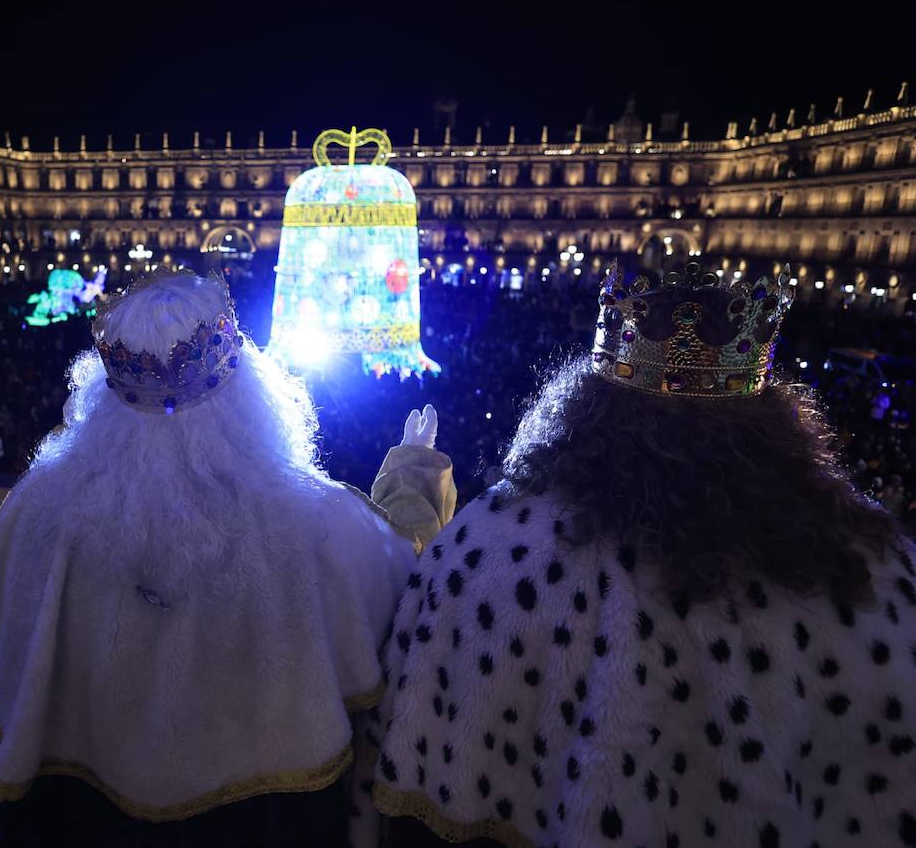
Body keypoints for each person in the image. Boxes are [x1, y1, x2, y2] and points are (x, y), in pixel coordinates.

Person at [362, 262, 916, 846]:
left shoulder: (493, 547)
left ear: (585, 406)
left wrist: (413, 492)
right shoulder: (872, 570)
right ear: (774, 422)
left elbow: (406, 743)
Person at [0, 268, 456, 846]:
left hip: (79, 824)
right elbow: (408, 592)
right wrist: (412, 475)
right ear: (246, 388)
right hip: (256, 827)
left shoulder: (38, 508)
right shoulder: (315, 520)